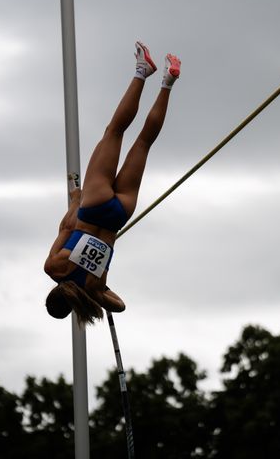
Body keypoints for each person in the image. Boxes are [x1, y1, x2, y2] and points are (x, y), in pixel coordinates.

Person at [44, 41, 181, 325]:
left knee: (144, 144)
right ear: (53, 292)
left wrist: (94, 295)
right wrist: (75, 201)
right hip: (92, 206)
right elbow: (68, 227)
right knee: (114, 132)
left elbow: (120, 306)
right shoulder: (53, 269)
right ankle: (143, 72)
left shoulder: (94, 288)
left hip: (118, 215)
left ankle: (168, 82)